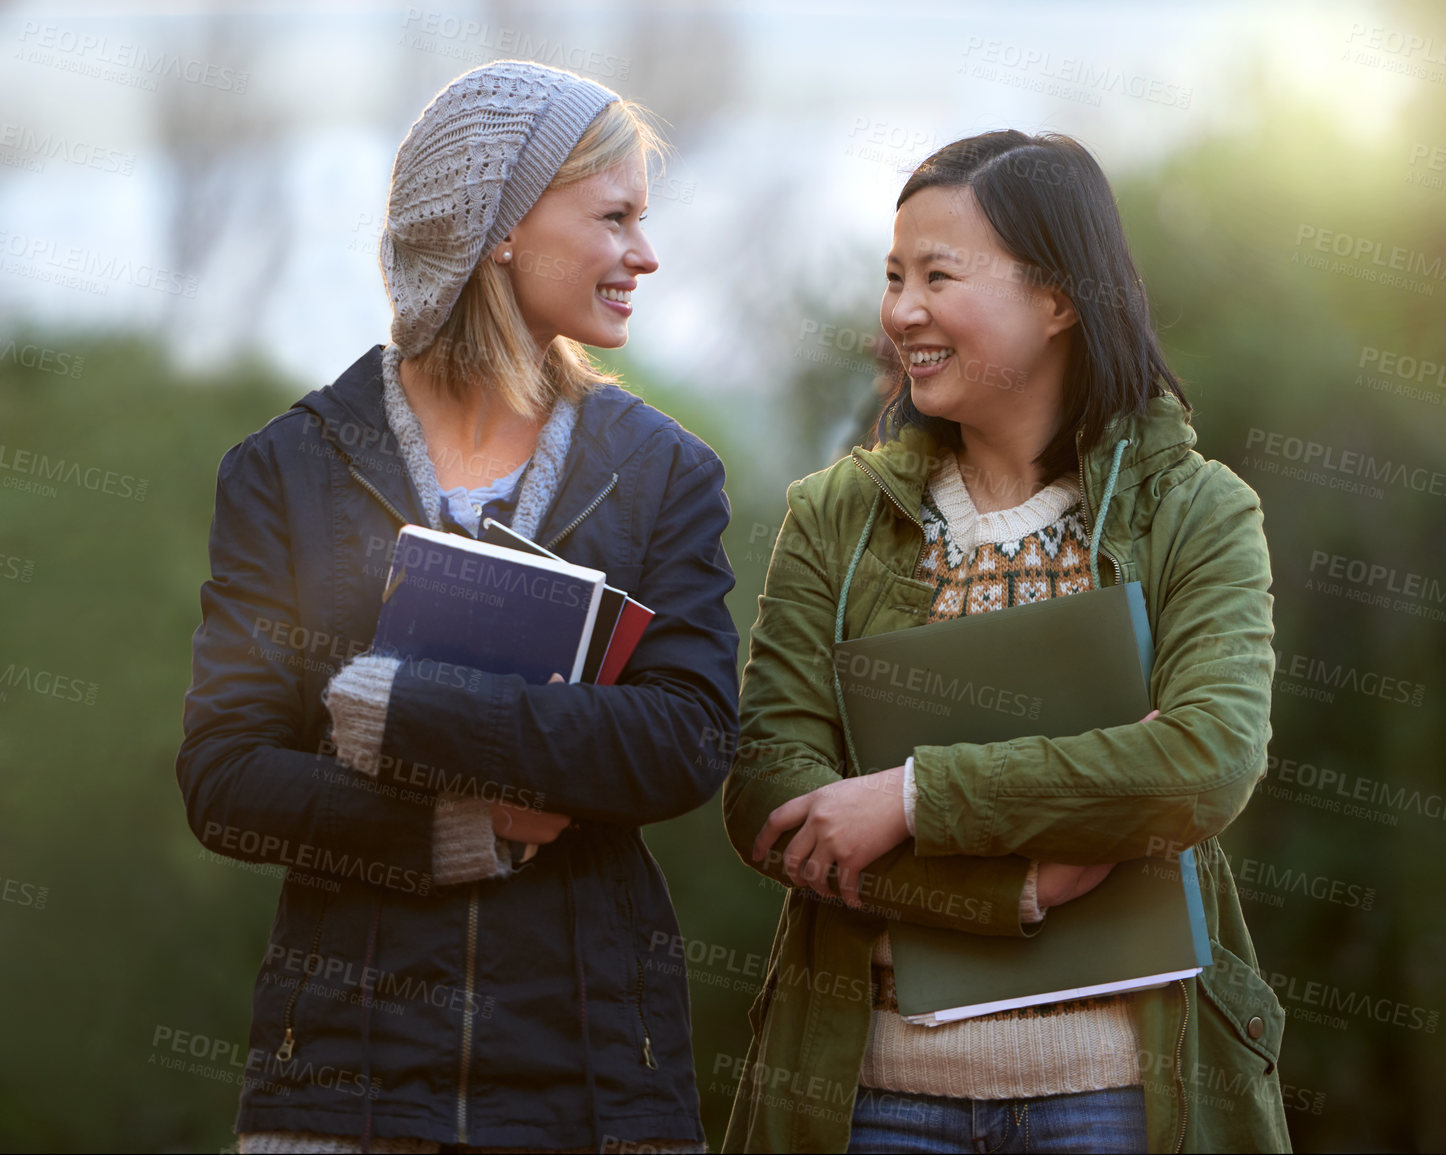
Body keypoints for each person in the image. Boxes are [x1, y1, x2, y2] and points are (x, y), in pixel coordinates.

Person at [175, 61, 738, 1153]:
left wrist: (417, 713)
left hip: (597, 1092)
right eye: (615, 216)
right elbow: (226, 777)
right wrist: (445, 833)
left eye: (644, 219)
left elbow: (688, 739)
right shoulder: (285, 470)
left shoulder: (667, 474)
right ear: (500, 228)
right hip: (342, 1093)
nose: (645, 254)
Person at [720, 130, 1292, 1153]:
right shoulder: (834, 516)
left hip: (1119, 1099)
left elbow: (1204, 760)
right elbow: (770, 788)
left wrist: (905, 798)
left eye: (939, 275)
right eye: (893, 277)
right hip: (876, 1100)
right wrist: (1020, 885)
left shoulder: (1198, 511)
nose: (902, 312)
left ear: (1058, 298)